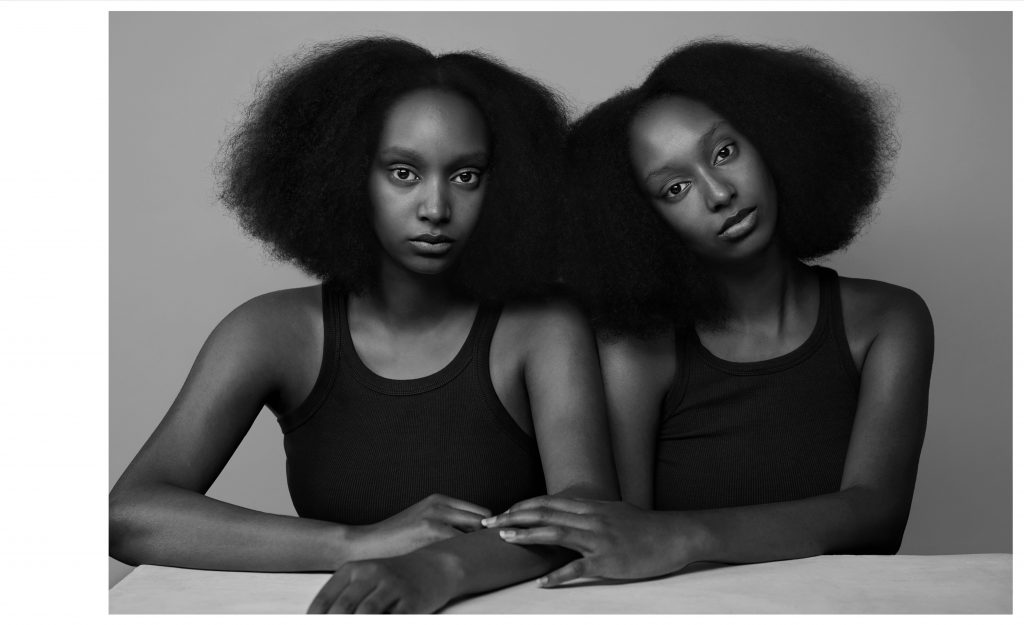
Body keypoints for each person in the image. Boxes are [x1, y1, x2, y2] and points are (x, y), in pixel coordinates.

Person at [109, 37, 618, 613]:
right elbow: (129, 516)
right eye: (403, 172)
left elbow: (589, 511)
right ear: (346, 176)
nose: (436, 207)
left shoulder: (541, 325)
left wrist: (440, 568)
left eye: (467, 176)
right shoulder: (273, 331)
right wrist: (358, 543)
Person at [485, 39, 933, 587]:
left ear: (774, 142)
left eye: (724, 153)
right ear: (643, 225)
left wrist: (686, 535)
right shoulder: (640, 351)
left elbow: (877, 518)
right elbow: (625, 542)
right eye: (676, 188)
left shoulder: (889, 320)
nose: (719, 193)